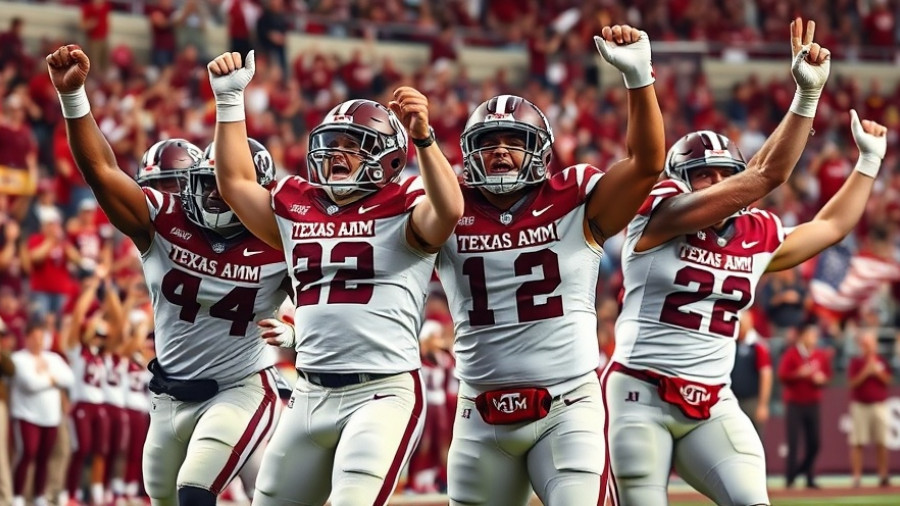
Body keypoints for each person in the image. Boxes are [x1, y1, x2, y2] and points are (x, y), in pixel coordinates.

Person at [603, 18, 873, 506]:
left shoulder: (755, 233)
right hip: (639, 393)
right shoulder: (657, 213)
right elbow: (765, 174)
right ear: (679, 180)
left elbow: (830, 227)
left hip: (713, 399)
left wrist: (867, 165)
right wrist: (806, 100)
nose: (711, 184)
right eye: (699, 175)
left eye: (720, 175)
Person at [207, 48, 464, 505]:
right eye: (335, 142)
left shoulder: (403, 201)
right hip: (308, 392)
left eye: (354, 145)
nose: (337, 153)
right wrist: (229, 101)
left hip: (380, 392)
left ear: (387, 159)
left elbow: (449, 210)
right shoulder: (294, 202)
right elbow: (235, 185)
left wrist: (425, 139)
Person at [46, 44, 292, 506]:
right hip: (167, 392)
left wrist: (301, 342)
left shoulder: (279, 241)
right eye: (209, 185)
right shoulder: (163, 219)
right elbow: (101, 171)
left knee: (194, 493)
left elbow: (329, 300)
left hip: (238, 390)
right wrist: (74, 97)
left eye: (229, 187)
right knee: (164, 498)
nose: (219, 198)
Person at [435, 24, 665, 506]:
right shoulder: (446, 207)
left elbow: (646, 164)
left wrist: (638, 79)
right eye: (489, 140)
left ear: (538, 149)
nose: (500, 149)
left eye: (513, 139)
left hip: (566, 406)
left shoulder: (574, 196)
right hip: (479, 410)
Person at [9, 318, 74, 506]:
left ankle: (39, 496)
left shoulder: (53, 358)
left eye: (41, 337)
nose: (38, 342)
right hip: (27, 415)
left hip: (50, 417)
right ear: (27, 338)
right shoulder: (19, 358)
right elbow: (29, 384)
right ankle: (17, 496)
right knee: (27, 453)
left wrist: (47, 377)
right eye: (34, 337)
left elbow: (69, 379)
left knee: (44, 458)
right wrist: (52, 380)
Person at [778, 317, 833, 489]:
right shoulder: (792, 354)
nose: (815, 338)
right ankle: (790, 479)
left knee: (814, 443)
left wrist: (822, 380)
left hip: (813, 402)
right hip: (794, 402)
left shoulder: (819, 355)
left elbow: (827, 376)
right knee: (793, 442)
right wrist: (798, 374)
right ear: (803, 336)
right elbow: (782, 376)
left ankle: (806, 474)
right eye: (811, 335)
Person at [847, 328, 892, 488]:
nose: (868, 346)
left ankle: (883, 474)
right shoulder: (856, 362)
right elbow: (852, 383)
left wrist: (877, 372)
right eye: (866, 343)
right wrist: (867, 371)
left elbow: (887, 380)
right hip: (860, 406)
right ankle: (857, 476)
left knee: (881, 442)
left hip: (878, 405)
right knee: (857, 442)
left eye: (871, 342)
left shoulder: (881, 360)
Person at [730, 311, 773, 437]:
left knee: (755, 437)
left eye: (740, 324)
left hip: (751, 401)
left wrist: (762, 405)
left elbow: (766, 375)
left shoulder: (758, 345)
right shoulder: (734, 343)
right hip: (734, 399)